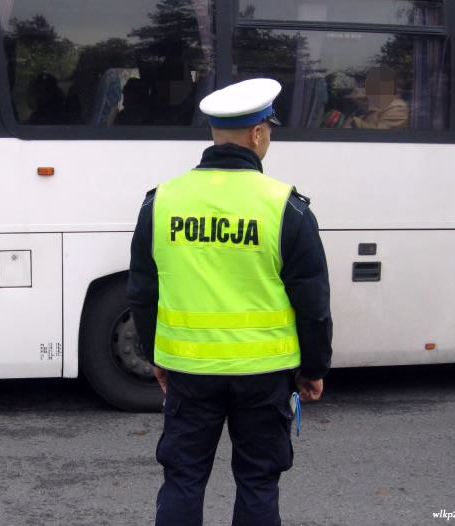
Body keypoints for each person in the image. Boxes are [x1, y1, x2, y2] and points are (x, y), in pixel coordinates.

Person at [127, 78, 332, 526]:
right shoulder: (286, 207)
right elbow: (313, 303)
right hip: (264, 375)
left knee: (183, 479)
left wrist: (155, 357)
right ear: (258, 134)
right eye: (269, 131)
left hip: (188, 370)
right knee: (258, 481)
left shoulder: (160, 202)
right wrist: (313, 369)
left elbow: (142, 293)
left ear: (214, 134)